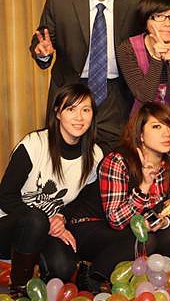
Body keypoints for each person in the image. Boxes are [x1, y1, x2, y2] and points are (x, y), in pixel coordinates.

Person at [29, 0, 145, 153]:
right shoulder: (60, 0)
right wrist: (43, 53)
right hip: (71, 91)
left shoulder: (138, 1)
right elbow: (41, 38)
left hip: (117, 95)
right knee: (66, 158)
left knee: (115, 158)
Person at [59, 102, 170, 292]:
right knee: (145, 239)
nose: (166, 133)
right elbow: (115, 220)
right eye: (156, 127)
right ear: (140, 134)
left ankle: (137, 278)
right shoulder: (118, 160)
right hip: (91, 225)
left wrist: (162, 222)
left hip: (131, 228)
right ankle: (93, 273)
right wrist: (144, 187)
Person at [0, 84, 102, 297]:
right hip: (9, 226)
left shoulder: (94, 155)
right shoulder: (34, 144)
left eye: (86, 109)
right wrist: (46, 221)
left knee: (63, 268)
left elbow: (86, 201)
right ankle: (19, 290)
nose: (79, 117)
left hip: (47, 229)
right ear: (57, 112)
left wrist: (62, 218)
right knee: (36, 219)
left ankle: (37, 276)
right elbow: (5, 196)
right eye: (71, 109)